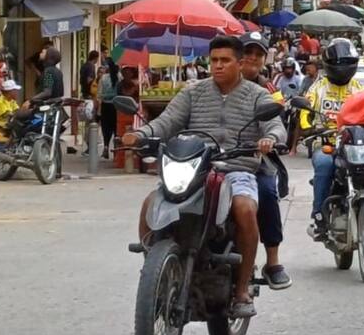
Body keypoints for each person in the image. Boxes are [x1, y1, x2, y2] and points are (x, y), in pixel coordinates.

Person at [122, 36, 287, 317]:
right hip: (195, 167)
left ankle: (242, 289)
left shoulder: (258, 95)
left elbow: (275, 125)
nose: (218, 66)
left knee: (246, 208)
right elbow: (167, 121)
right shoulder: (193, 92)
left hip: (237, 169)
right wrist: (141, 134)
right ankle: (154, 269)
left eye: (225, 60)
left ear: (240, 62)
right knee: (151, 203)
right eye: (214, 61)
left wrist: (270, 138)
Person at [302, 38, 364, 239]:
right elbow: (304, 113)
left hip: (355, 143)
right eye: (338, 64)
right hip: (326, 144)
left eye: (346, 63)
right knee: (325, 164)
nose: (342, 68)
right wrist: (308, 128)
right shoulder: (318, 88)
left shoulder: (360, 89)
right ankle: (319, 215)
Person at [237, 32, 292, 289]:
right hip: (214, 158)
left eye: (258, 54)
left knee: (267, 192)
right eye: (247, 52)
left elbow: (277, 121)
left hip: (253, 158)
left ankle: (272, 261)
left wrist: (270, 138)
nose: (252, 58)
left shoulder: (267, 90)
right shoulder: (208, 87)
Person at [98, 63, 118, 159]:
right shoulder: (120, 77)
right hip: (117, 105)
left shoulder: (103, 78)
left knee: (106, 128)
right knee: (116, 128)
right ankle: (116, 150)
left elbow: (99, 94)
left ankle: (106, 147)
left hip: (105, 106)